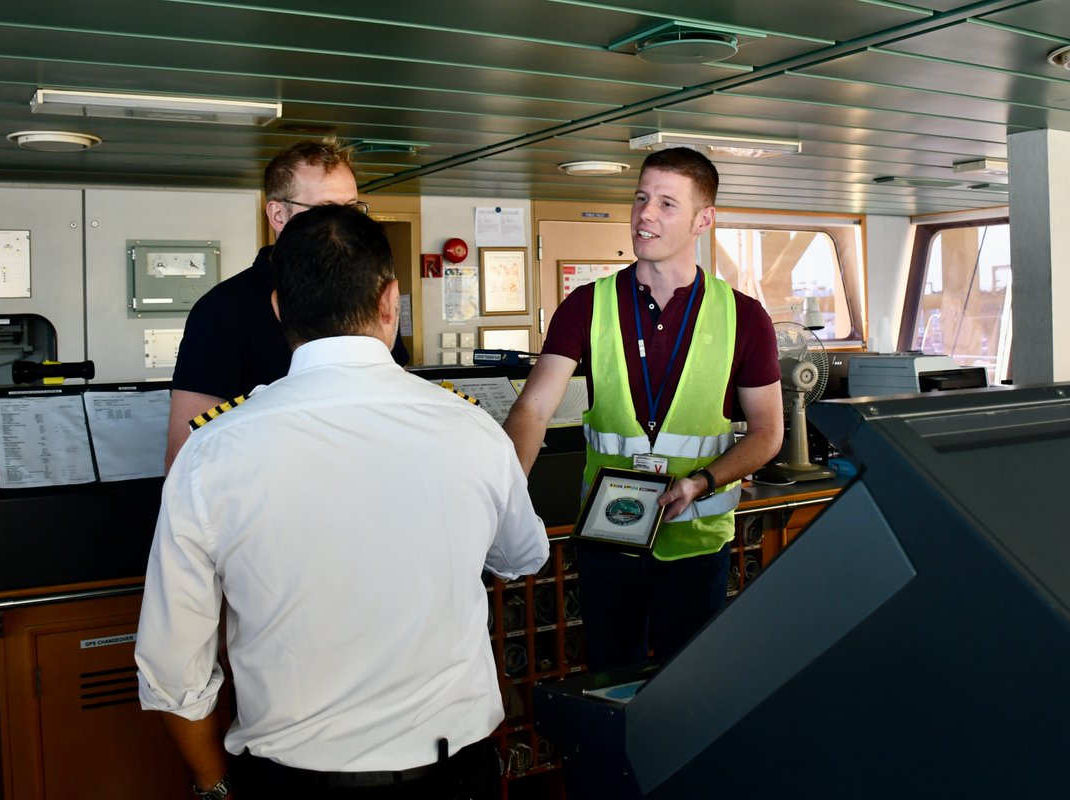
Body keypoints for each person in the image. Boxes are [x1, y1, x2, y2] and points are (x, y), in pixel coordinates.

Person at [136, 204, 550, 800]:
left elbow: (173, 667)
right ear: (391, 302)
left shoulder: (212, 453)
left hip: (293, 781)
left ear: (279, 308)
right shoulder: (473, 429)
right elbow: (523, 557)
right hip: (454, 775)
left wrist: (214, 786)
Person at [502, 147, 783, 673]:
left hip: (696, 545)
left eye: (666, 203)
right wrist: (503, 495)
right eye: (640, 198)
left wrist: (701, 481)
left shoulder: (744, 317)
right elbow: (533, 408)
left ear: (704, 219)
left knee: (688, 689)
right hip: (610, 541)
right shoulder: (587, 304)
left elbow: (767, 434)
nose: (645, 214)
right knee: (609, 687)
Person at [165, 137, 408, 470]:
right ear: (278, 213)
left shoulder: (371, 293)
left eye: (352, 209)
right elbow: (187, 455)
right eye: (326, 210)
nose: (345, 225)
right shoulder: (223, 310)